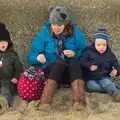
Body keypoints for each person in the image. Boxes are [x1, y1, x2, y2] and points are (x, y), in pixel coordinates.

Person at [27, 5, 86, 111]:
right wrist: (37, 58)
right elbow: (30, 58)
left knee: (73, 62)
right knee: (60, 63)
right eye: (54, 24)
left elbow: (85, 53)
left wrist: (74, 54)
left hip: (70, 75)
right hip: (51, 73)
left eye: (59, 25)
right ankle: (45, 102)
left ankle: (79, 102)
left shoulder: (76, 34)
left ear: (66, 24)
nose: (56, 28)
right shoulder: (44, 34)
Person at [80, 28, 120, 101]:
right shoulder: (88, 51)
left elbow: (116, 65)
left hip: (104, 77)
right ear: (94, 43)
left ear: (107, 44)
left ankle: (116, 94)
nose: (101, 47)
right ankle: (112, 88)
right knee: (91, 87)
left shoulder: (110, 54)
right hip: (91, 79)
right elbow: (82, 60)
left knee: (107, 82)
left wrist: (116, 71)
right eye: (98, 45)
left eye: (104, 45)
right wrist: (89, 66)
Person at [0, 23, 22, 110]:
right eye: (0, 42)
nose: (3, 44)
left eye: (4, 42)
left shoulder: (12, 55)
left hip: (9, 80)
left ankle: (3, 104)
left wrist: (16, 77)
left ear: (8, 43)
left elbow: (18, 68)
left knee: (5, 90)